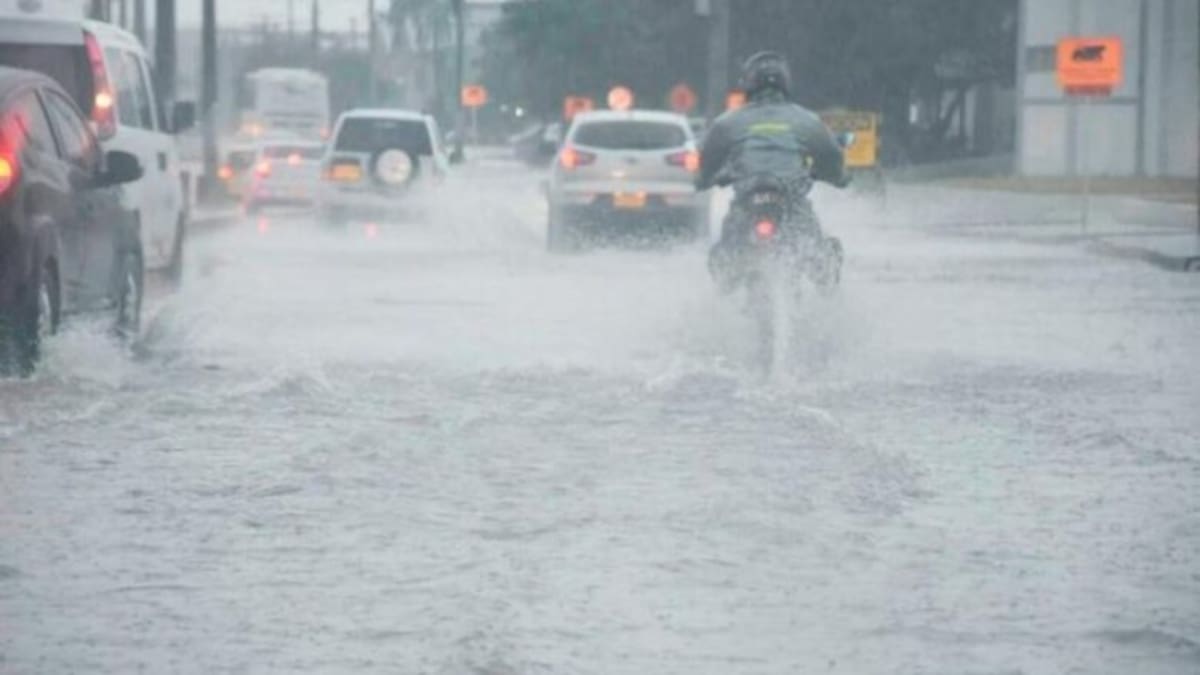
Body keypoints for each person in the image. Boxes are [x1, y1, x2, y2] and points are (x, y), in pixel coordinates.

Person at [697, 51, 849, 292]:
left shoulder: (727, 122)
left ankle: (723, 304)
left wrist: (703, 180)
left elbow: (707, 162)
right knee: (822, 260)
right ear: (786, 82)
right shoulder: (806, 120)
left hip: (746, 202)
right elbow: (831, 156)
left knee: (724, 261)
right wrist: (839, 177)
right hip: (791, 201)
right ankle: (828, 300)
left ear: (748, 84)